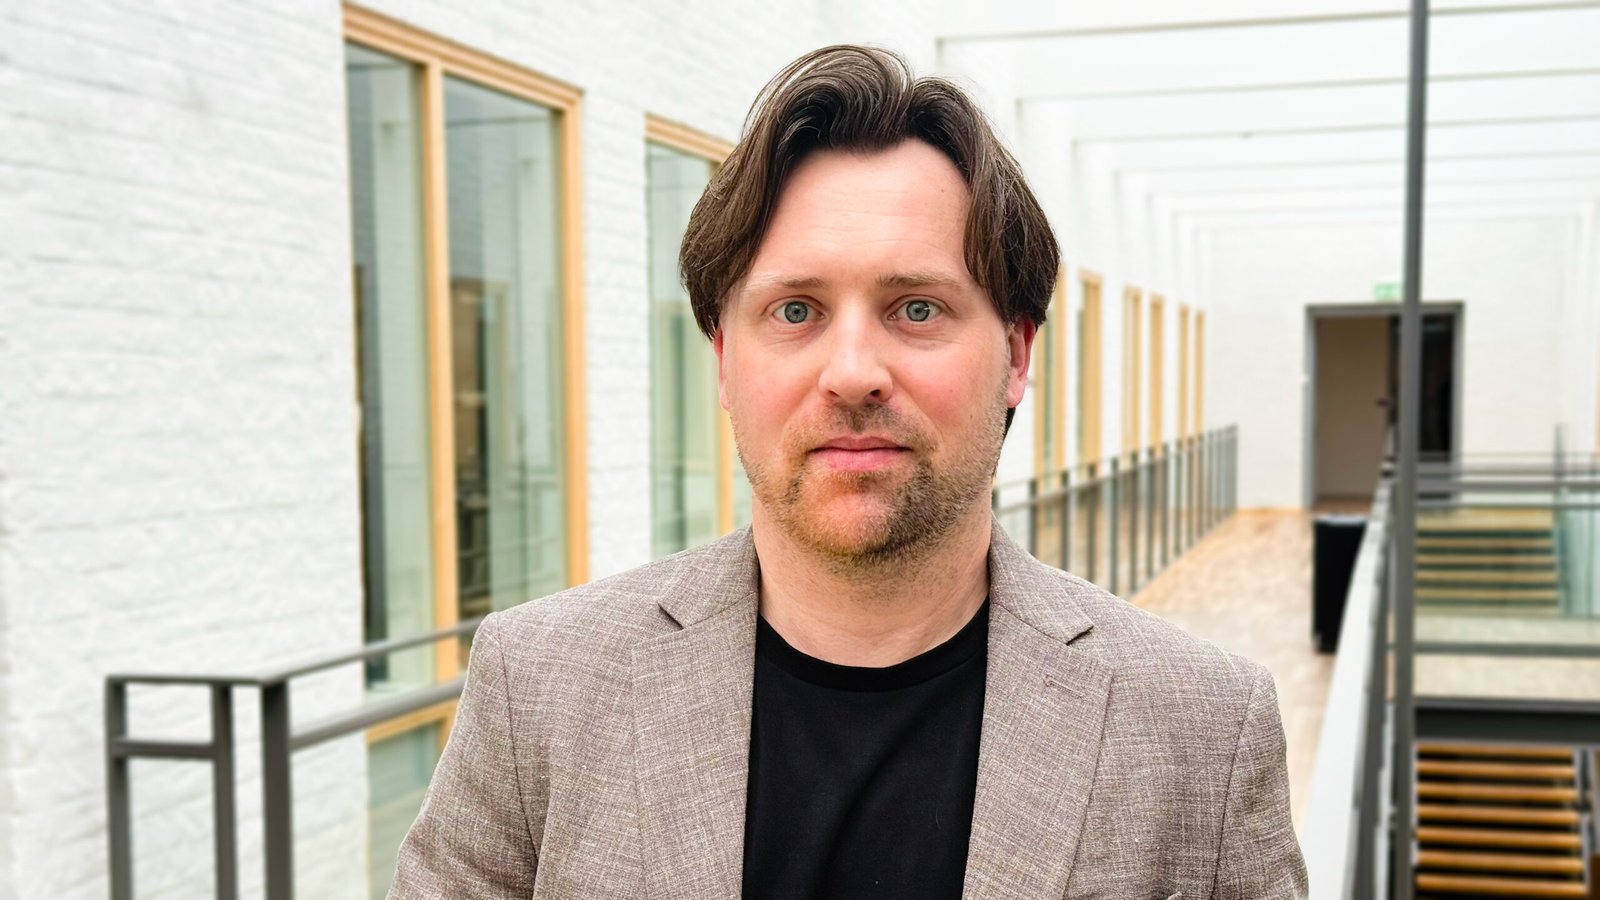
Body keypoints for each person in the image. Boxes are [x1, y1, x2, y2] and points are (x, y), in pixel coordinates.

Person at [390, 44, 1308, 899]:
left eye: (917, 308)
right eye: (796, 310)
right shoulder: (537, 687)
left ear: (1017, 354)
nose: (854, 372)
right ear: (723, 361)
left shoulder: (1203, 732)